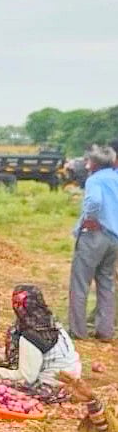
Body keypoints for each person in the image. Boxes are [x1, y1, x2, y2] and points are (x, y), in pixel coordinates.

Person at [0, 285, 81, 404]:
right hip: (72, 375)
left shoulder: (31, 336)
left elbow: (26, 378)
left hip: (54, 384)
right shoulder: (50, 320)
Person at [68, 144, 118, 342]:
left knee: (80, 283)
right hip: (114, 238)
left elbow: (95, 201)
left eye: (89, 161)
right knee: (106, 283)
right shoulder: (116, 178)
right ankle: (105, 331)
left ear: (95, 163)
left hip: (94, 235)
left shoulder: (95, 180)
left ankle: (78, 331)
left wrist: (90, 218)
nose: (87, 164)